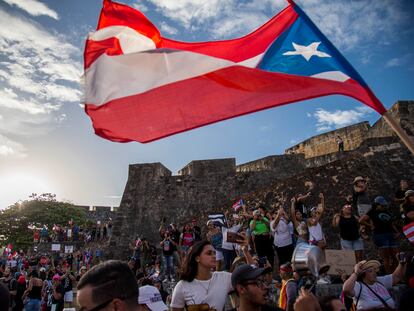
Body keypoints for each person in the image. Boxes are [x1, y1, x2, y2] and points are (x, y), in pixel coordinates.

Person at [170, 239, 251, 311]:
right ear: (197, 258)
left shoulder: (224, 277)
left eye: (214, 253)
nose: (214, 256)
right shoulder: (182, 285)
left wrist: (246, 252)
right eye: (209, 253)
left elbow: (250, 277)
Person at [342, 256, 407, 311]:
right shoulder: (358, 285)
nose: (374, 273)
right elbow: (346, 289)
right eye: (370, 271)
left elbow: (397, 276)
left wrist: (402, 263)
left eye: (374, 270)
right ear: (362, 274)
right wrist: (356, 273)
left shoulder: (379, 281)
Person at [360, 196, 400, 273]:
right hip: (380, 235)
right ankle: (389, 276)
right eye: (381, 205)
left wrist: (397, 231)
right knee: (386, 257)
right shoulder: (372, 212)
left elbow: (391, 223)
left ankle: (395, 274)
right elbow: (361, 220)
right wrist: (371, 225)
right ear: (377, 205)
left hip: (390, 234)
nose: (383, 207)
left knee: (396, 256)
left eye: (384, 205)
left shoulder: (386, 211)